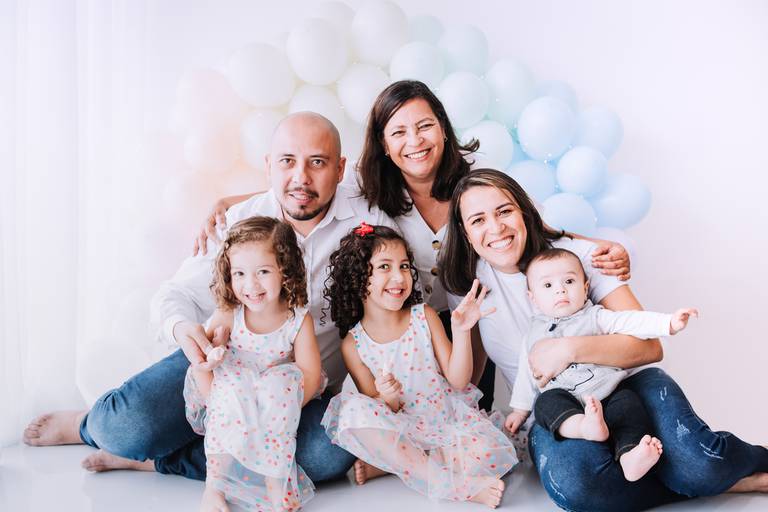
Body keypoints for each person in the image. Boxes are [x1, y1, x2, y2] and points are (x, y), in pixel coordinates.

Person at [22, 112, 397, 485]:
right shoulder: (238, 220)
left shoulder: (369, 223)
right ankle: (86, 425)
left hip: (299, 390)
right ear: (269, 165)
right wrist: (183, 330)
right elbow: (176, 294)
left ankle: (158, 462)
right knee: (123, 429)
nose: (301, 177)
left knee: (326, 456)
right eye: (287, 161)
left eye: (317, 162)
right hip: (224, 369)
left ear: (340, 168)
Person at [439, 168, 768, 510]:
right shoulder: (466, 282)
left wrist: (567, 350)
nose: (495, 228)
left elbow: (650, 347)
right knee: (579, 488)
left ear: (523, 211)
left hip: (626, 386)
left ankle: (723, 470)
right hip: (556, 410)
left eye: (504, 211)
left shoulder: (577, 257)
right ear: (465, 232)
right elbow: (470, 375)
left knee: (701, 466)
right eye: (478, 220)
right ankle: (718, 483)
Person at [320, 224, 517, 508]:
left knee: (488, 453)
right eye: (384, 267)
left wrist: (461, 331)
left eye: (404, 266)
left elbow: (459, 381)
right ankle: (456, 486)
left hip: (444, 424)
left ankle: (396, 465)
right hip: (403, 428)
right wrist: (388, 396)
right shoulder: (354, 344)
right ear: (357, 276)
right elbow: (378, 409)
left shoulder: (424, 316)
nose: (399, 276)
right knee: (352, 410)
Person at [504, 247, 698, 482]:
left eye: (569, 281)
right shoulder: (532, 335)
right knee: (545, 404)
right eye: (547, 285)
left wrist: (668, 323)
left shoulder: (596, 316)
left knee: (628, 404)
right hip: (565, 400)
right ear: (532, 297)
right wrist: (519, 411)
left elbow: (630, 321)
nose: (560, 290)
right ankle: (583, 427)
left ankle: (630, 456)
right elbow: (527, 374)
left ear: (585, 287)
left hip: (607, 392)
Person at [183, 216, 323, 511]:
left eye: (263, 271)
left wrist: (281, 405)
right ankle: (214, 487)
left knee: (278, 387)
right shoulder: (229, 313)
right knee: (231, 388)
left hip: (276, 398)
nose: (251, 285)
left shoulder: (297, 318)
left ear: (285, 270)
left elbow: (310, 374)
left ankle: (276, 482)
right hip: (231, 394)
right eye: (240, 274)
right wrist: (215, 383)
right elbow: (204, 363)